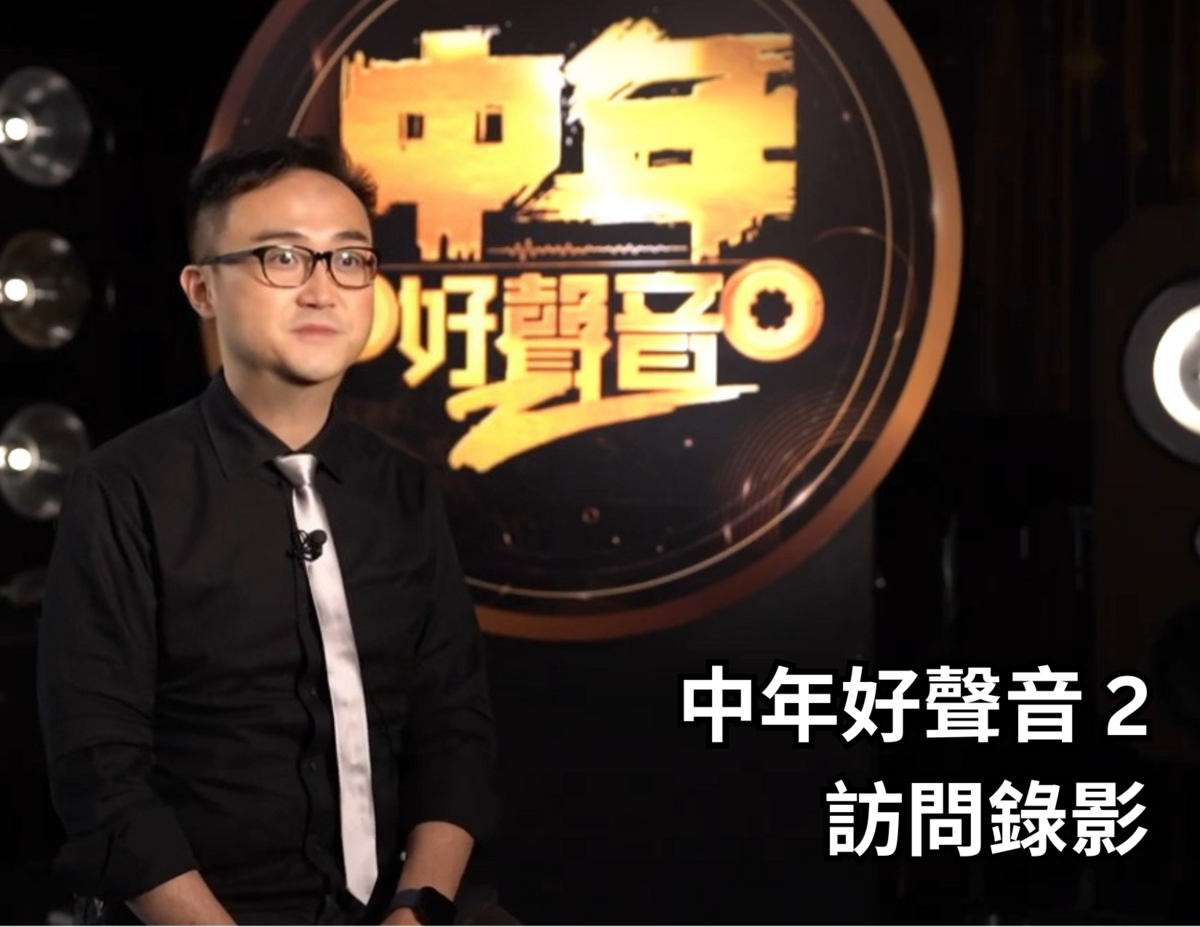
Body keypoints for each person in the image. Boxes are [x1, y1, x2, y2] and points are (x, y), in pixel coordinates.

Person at [37, 137, 499, 926]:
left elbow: (454, 730)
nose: (322, 290)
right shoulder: (123, 488)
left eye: (348, 260)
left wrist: (417, 910)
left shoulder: (404, 488)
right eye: (282, 257)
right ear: (202, 289)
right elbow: (99, 776)